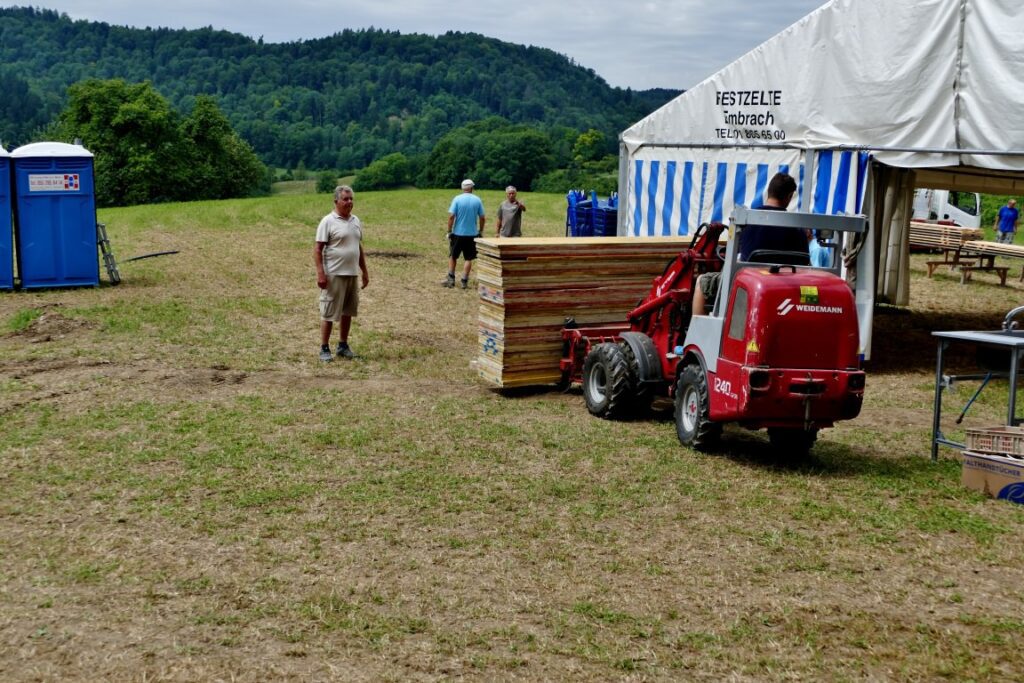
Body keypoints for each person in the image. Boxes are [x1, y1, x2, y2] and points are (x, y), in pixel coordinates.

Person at [692, 172, 805, 315]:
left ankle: (699, 336)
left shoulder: (747, 221)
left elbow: (736, 254)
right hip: (787, 285)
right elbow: (805, 263)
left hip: (749, 282)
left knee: (702, 281)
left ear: (768, 192)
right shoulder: (798, 228)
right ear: (789, 197)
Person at [314, 185, 369, 362]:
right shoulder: (327, 221)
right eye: (345, 199)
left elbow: (358, 247)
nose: (349, 202)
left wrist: (364, 271)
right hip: (334, 274)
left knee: (348, 312)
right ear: (336, 201)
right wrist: (321, 274)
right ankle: (324, 348)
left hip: (351, 274)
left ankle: (343, 346)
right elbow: (317, 249)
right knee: (329, 312)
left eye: (351, 198)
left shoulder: (356, 221)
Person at [444, 178, 485, 289]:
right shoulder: (477, 200)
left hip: (458, 233)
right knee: (468, 258)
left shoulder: (457, 199)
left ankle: (451, 279)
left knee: (453, 256)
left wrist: (449, 231)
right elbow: (482, 217)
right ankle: (464, 281)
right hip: (472, 234)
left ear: (462, 188)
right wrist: (480, 231)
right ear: (472, 188)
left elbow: (451, 216)